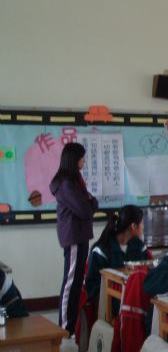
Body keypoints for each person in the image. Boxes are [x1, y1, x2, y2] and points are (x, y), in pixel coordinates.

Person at [50, 142, 98, 335]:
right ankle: (64, 327)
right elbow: (84, 208)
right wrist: (90, 203)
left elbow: (91, 202)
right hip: (74, 235)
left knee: (77, 281)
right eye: (81, 157)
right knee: (71, 282)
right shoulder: (66, 183)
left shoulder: (75, 179)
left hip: (79, 234)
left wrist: (90, 203)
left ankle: (70, 325)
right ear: (73, 159)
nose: (84, 161)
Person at [85, 205, 152, 317]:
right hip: (111, 306)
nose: (143, 227)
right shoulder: (102, 250)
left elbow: (149, 271)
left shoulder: (139, 246)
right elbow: (91, 287)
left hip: (136, 300)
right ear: (133, 226)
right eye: (142, 223)